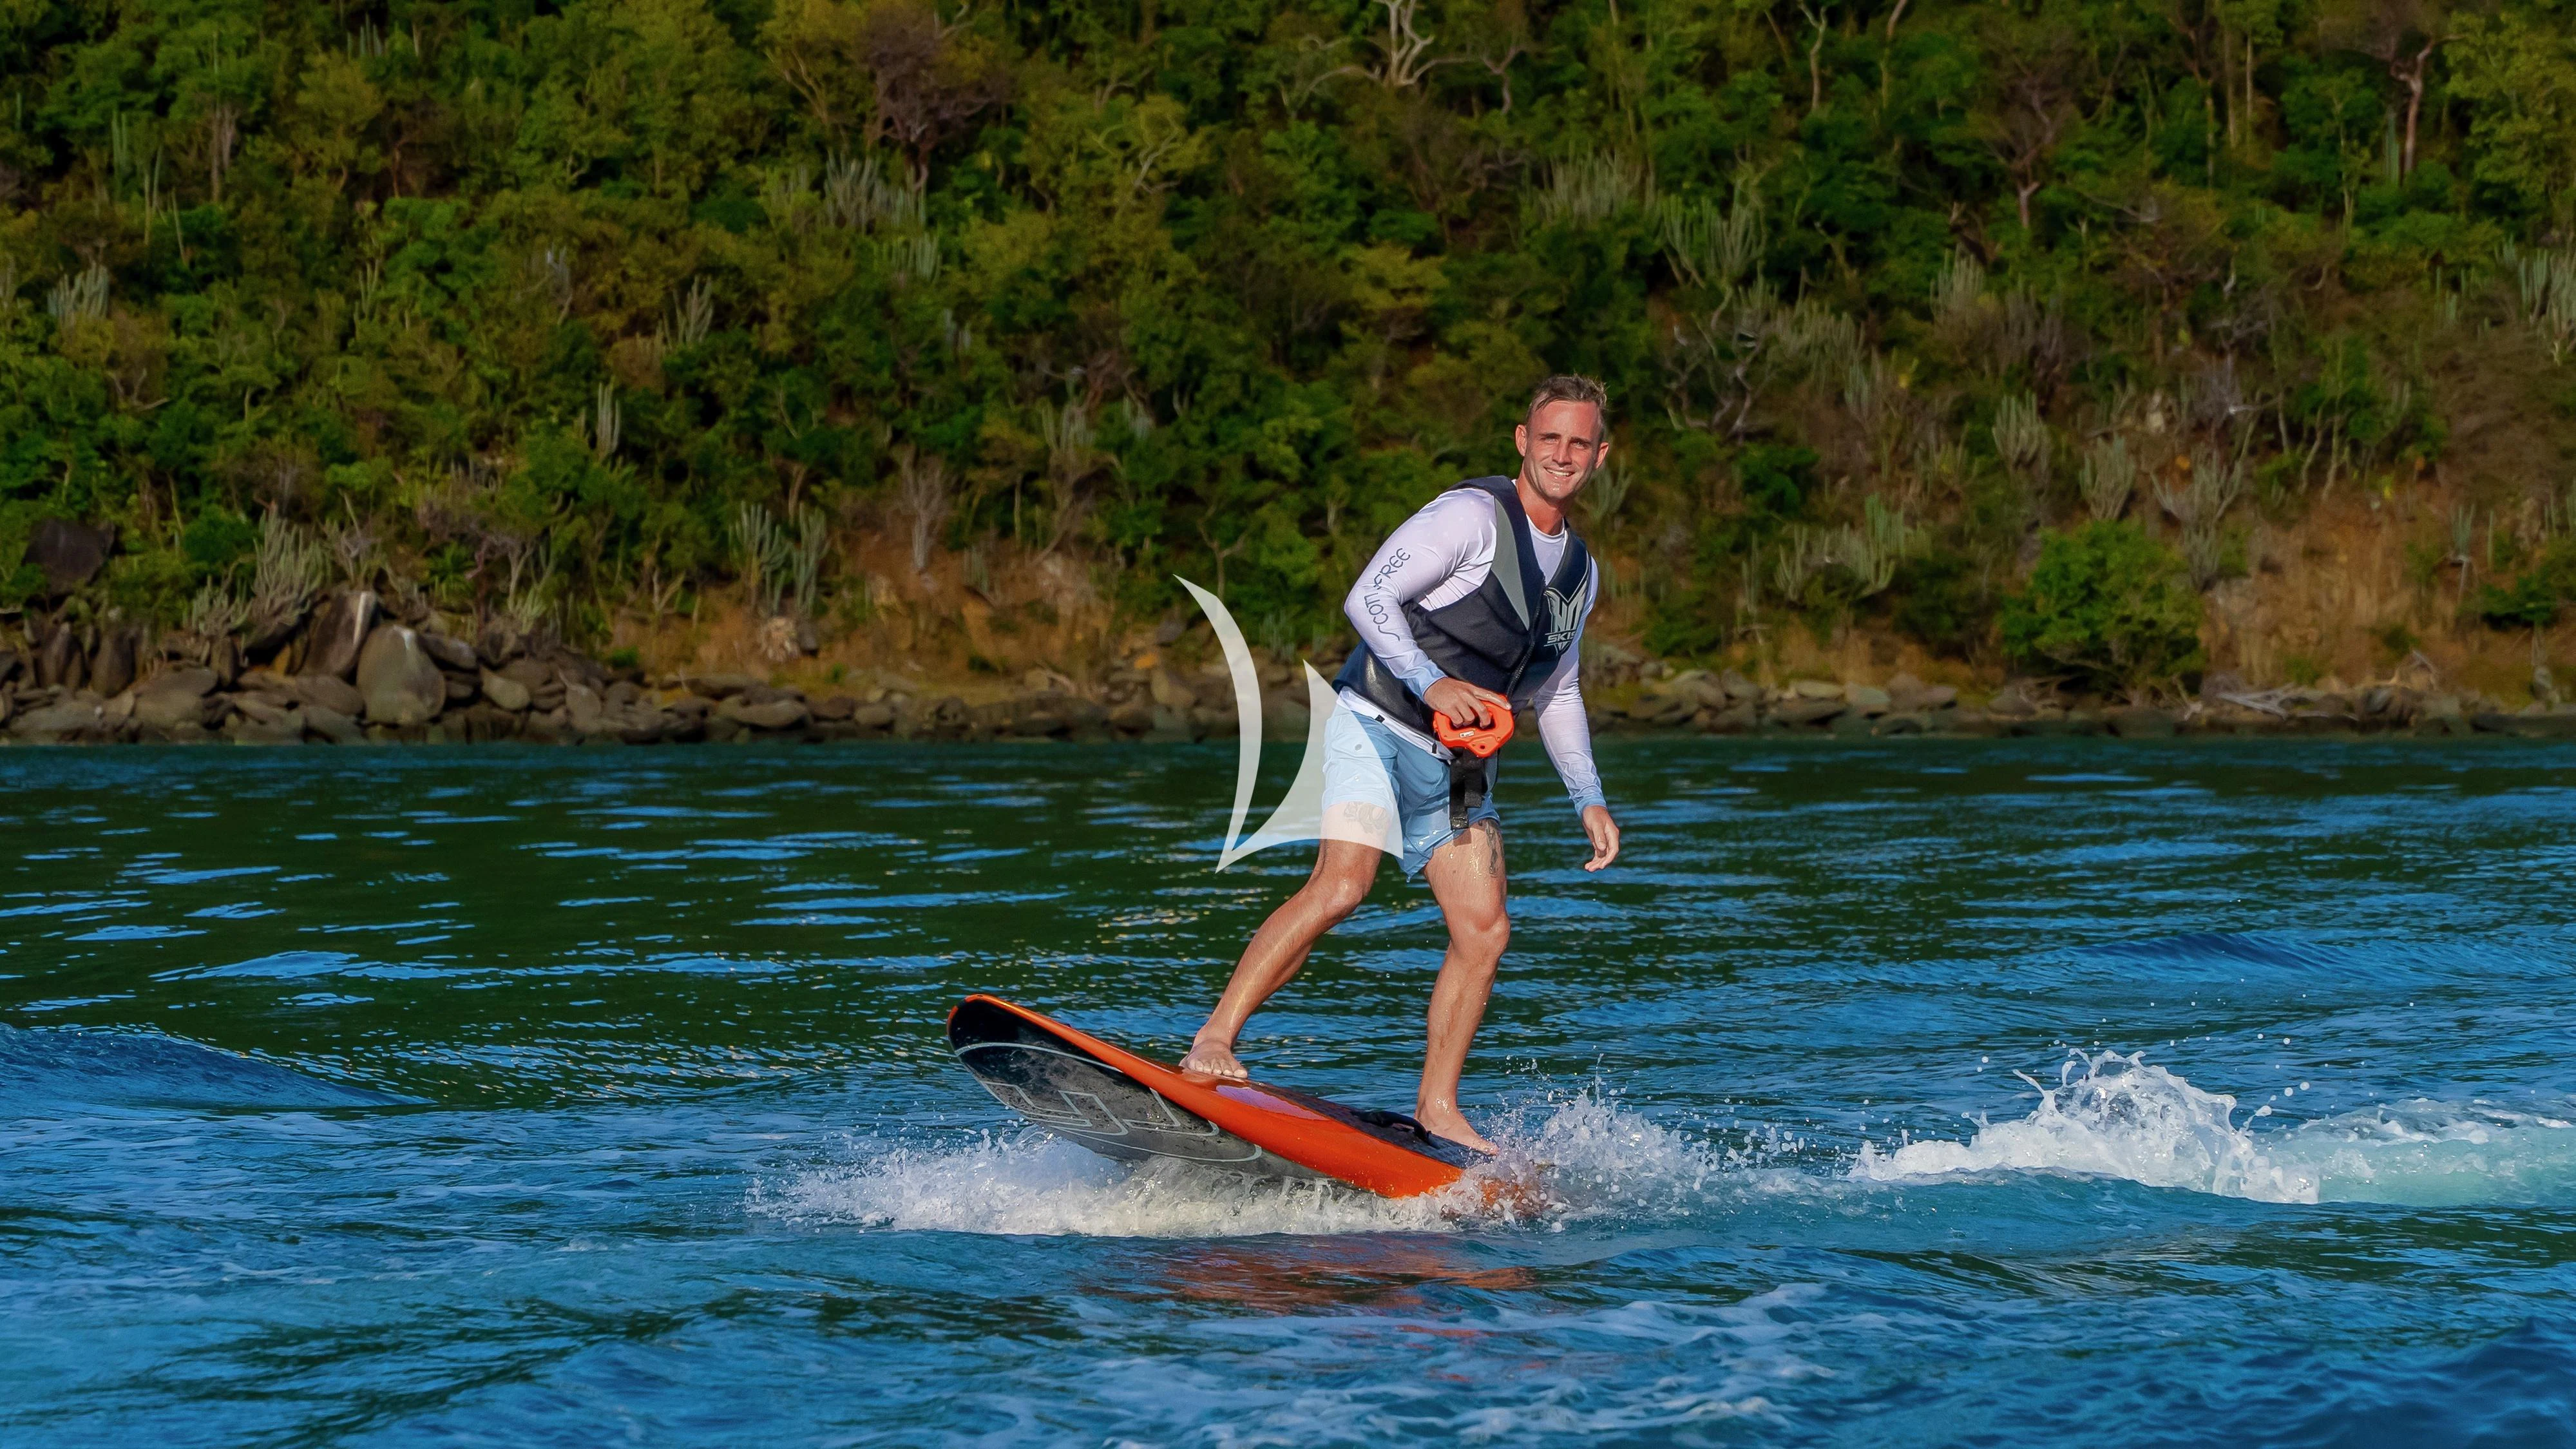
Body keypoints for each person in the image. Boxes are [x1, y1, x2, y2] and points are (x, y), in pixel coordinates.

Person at [1179, 374, 1624, 1153]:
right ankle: (1213, 1039)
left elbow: (1558, 688)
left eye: (1579, 443)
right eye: (1549, 438)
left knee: (1484, 932)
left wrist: (1587, 795)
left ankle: (1438, 1108)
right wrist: (1432, 681)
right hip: (1375, 721)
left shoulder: (1580, 573)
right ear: (1523, 440)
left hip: (1454, 767)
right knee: (1344, 884)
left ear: (1600, 455)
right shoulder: (1468, 517)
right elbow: (1366, 600)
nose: (1563, 454)